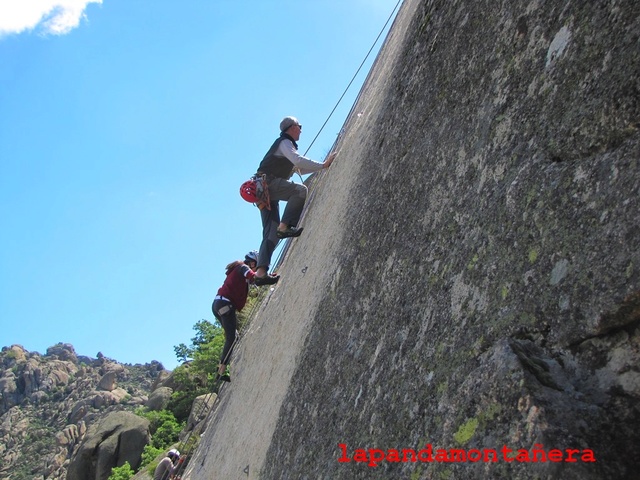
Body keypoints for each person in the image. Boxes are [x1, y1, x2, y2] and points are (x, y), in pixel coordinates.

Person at [254, 116, 337, 281]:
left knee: (271, 232)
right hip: (268, 184)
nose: (301, 130)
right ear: (292, 128)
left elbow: (297, 169)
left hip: (261, 189)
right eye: (300, 126)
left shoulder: (283, 147)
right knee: (299, 191)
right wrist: (323, 165)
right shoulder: (285, 143)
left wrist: (320, 166)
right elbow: (297, 160)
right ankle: (285, 227)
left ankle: (260, 273)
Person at [212, 250, 272, 382]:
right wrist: (268, 278)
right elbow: (254, 277)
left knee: (234, 336)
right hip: (225, 304)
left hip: (219, 304)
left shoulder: (240, 271)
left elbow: (255, 281)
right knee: (232, 338)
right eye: (256, 265)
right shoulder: (243, 268)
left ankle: (222, 368)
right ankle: (221, 370)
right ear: (252, 262)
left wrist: (268, 276)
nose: (257, 268)